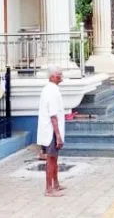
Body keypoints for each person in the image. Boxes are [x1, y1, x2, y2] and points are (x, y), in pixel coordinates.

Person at [37, 66, 66, 197]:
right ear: (52, 77)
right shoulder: (51, 91)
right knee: (51, 158)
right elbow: (53, 116)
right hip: (52, 130)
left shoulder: (50, 89)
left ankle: (56, 184)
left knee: (54, 158)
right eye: (59, 74)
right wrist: (58, 136)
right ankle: (49, 189)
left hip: (52, 129)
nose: (61, 76)